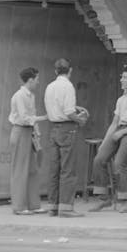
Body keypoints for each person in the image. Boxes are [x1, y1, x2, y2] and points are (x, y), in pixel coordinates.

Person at [89, 66, 127, 213]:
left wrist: (123, 132)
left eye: (124, 77)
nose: (121, 80)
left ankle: (124, 200)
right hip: (120, 130)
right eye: (121, 77)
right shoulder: (121, 100)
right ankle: (103, 199)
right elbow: (114, 124)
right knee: (99, 159)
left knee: (119, 162)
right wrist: (105, 142)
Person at [44, 58, 87, 217]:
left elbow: (55, 107)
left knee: (54, 169)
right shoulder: (68, 86)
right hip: (68, 129)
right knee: (68, 169)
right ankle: (66, 208)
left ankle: (52, 206)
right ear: (70, 71)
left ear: (55, 71)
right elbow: (69, 112)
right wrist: (80, 119)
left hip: (53, 129)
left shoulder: (50, 86)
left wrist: (74, 110)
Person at [8, 67, 48, 215]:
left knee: (32, 169)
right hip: (20, 132)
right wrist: (43, 118)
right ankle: (19, 206)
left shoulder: (31, 95)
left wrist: (37, 132)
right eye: (37, 79)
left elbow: (32, 115)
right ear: (30, 80)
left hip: (29, 133)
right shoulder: (19, 96)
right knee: (20, 170)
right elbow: (24, 118)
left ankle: (33, 204)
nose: (38, 82)